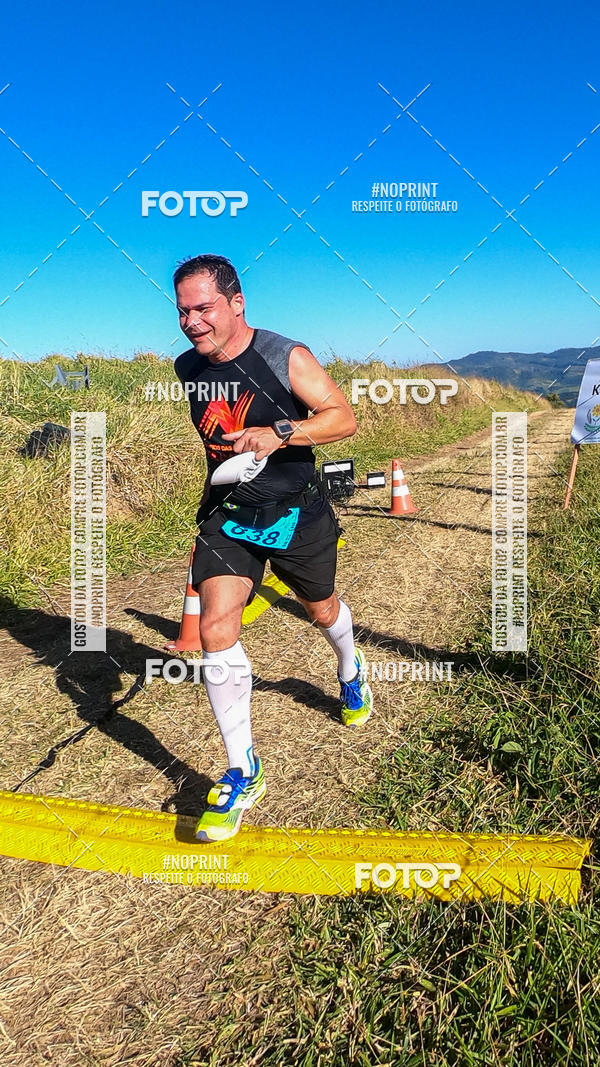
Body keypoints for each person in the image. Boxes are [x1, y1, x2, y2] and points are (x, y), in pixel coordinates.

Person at [173, 254, 373, 843]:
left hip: (296, 511)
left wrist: (281, 432)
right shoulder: (187, 366)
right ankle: (243, 769)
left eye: (203, 308)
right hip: (229, 514)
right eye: (182, 310)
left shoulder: (286, 356)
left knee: (322, 609)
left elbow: (343, 418)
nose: (191, 322)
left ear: (236, 303)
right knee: (215, 629)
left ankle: (350, 666)